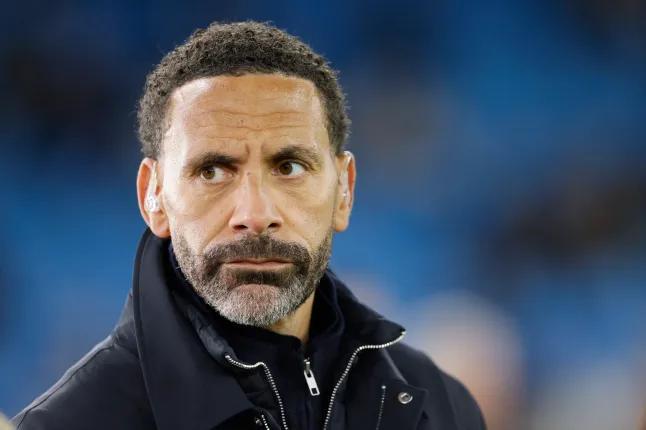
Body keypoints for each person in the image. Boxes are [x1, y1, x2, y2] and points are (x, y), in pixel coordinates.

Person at [12, 21, 485, 430]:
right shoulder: (74, 421)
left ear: (344, 190)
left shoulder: (440, 404)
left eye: (289, 167)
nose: (255, 215)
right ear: (152, 197)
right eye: (213, 172)